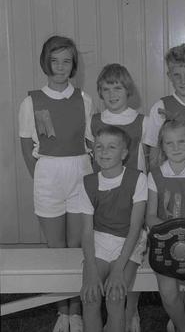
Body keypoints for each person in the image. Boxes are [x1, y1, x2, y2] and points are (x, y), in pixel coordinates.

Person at [19, 35, 93, 332]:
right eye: (55, 60)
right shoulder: (31, 100)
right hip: (49, 173)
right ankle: (62, 312)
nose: (61, 67)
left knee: (76, 247)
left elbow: (90, 140)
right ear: (45, 63)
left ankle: (75, 311)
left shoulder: (84, 99)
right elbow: (26, 146)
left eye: (67, 60)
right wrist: (41, 176)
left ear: (73, 64)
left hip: (79, 171)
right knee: (56, 247)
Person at [91, 63, 149, 332]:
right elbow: (89, 162)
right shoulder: (94, 121)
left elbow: (149, 160)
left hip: (133, 195)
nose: (112, 94)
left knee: (130, 254)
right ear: (100, 93)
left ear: (128, 91)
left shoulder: (142, 121)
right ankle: (107, 315)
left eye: (118, 88)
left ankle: (130, 311)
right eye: (106, 89)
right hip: (104, 197)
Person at [146, 116, 185, 332]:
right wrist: (173, 234)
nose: (176, 147)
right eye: (169, 143)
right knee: (168, 293)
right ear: (162, 147)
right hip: (164, 245)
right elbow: (150, 217)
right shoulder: (154, 175)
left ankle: (183, 318)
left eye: (181, 141)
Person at [79, 126, 147, 332]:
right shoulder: (88, 182)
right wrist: (90, 270)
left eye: (111, 147)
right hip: (99, 240)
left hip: (128, 241)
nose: (104, 151)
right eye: (99, 146)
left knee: (115, 297)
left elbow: (135, 228)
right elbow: (87, 231)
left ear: (124, 153)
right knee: (90, 297)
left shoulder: (137, 178)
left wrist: (118, 269)